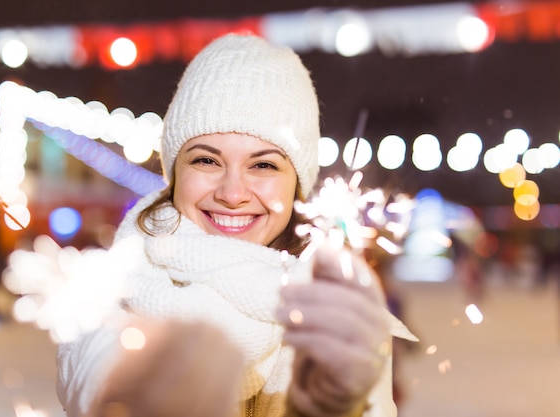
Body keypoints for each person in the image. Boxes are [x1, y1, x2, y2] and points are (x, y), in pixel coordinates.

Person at [57, 33, 416, 417]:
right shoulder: (115, 289)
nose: (232, 193)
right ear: (174, 171)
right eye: (206, 161)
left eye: (263, 165)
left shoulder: (328, 310)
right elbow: (97, 382)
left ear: (297, 183)